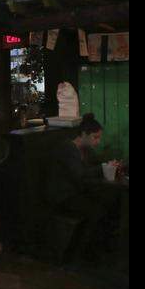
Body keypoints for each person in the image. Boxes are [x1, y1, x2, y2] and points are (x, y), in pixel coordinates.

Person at [46, 113, 121, 264]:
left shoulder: (86, 150)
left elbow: (96, 164)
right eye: (95, 137)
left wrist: (111, 164)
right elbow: (79, 175)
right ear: (84, 134)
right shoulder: (68, 148)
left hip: (77, 193)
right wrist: (102, 168)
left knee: (112, 204)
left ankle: (99, 249)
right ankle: (79, 253)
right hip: (63, 197)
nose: (97, 141)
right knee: (96, 210)